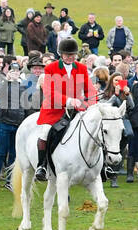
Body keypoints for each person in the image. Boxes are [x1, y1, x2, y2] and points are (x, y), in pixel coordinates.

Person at [34, 37, 97, 182]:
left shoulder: (81, 68)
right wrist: (68, 100)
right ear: (61, 54)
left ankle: (101, 167)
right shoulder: (51, 68)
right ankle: (41, 166)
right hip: (54, 110)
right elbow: (49, 93)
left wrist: (91, 104)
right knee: (45, 133)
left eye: (72, 55)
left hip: (76, 110)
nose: (70, 58)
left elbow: (90, 90)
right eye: (67, 55)